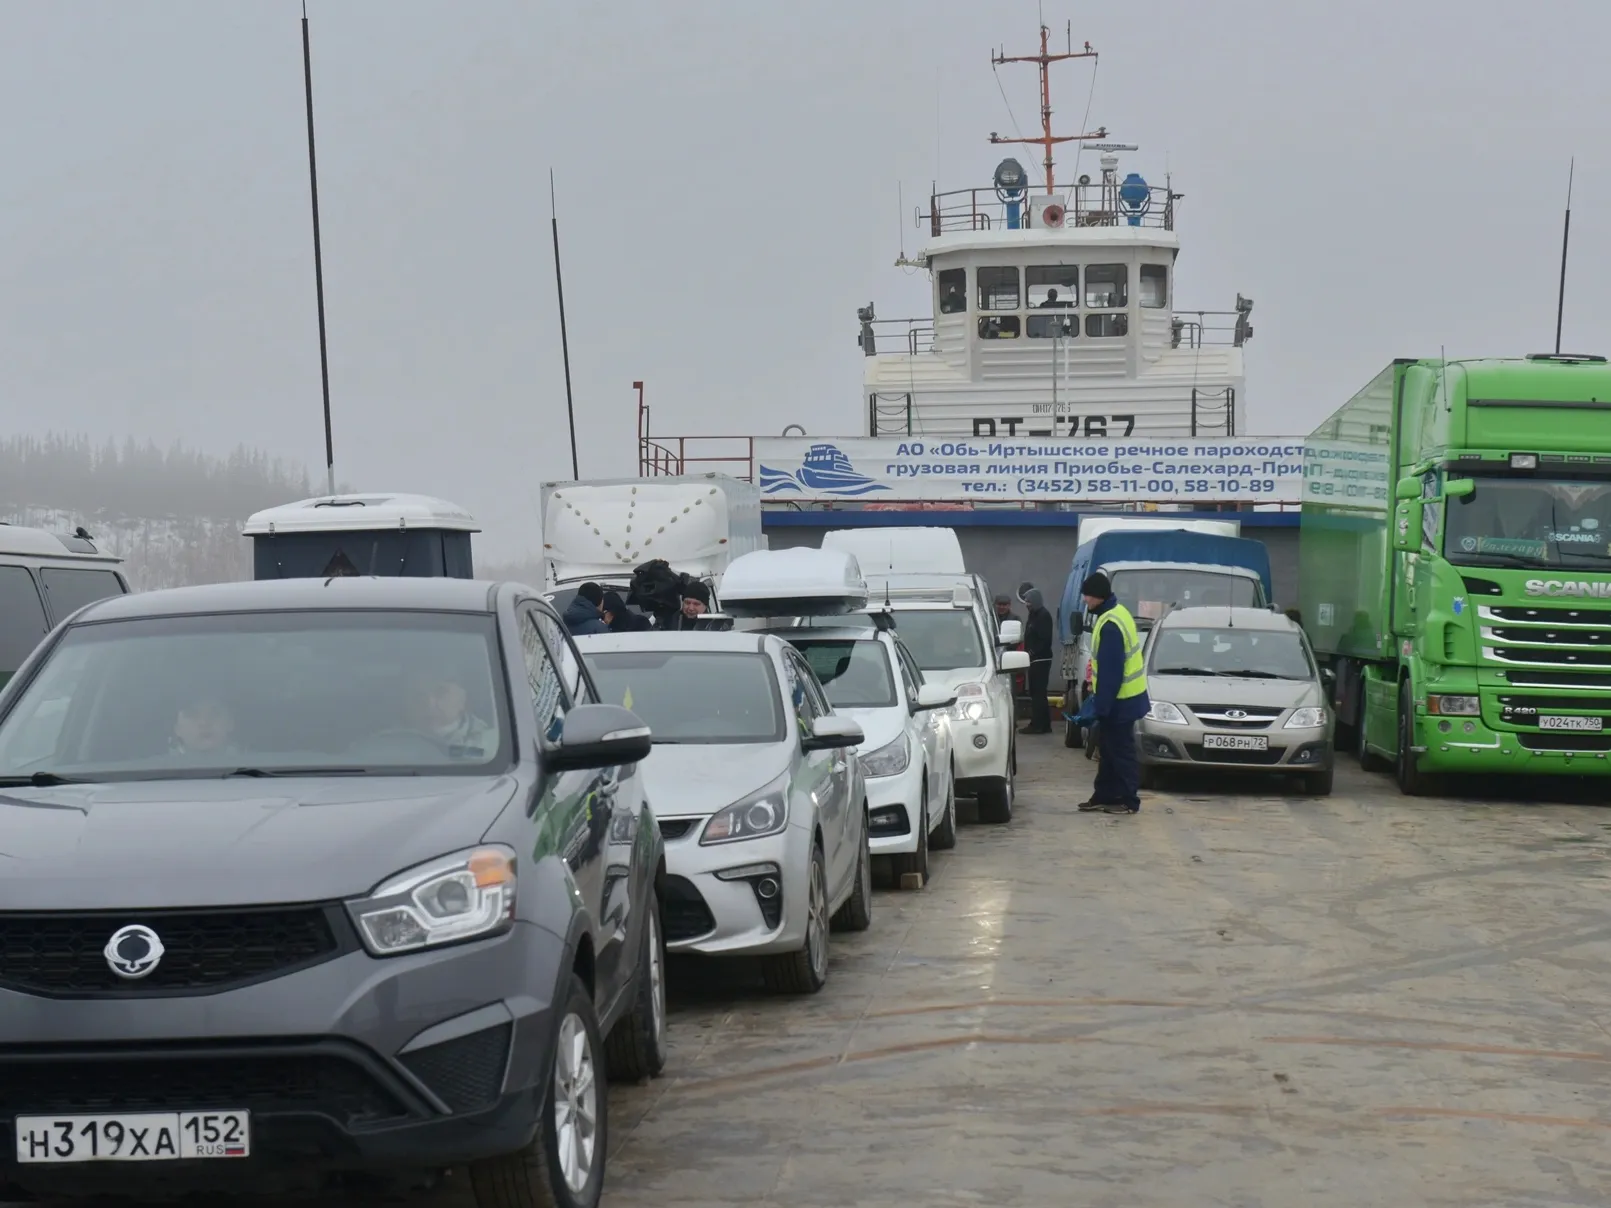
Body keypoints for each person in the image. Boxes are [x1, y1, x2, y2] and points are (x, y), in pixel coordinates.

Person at [1069, 571, 1150, 814]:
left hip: (1120, 702)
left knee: (1120, 752)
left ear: (1099, 596)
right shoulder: (1116, 614)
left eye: (1087, 596)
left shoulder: (1111, 625)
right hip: (1122, 699)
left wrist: (1101, 708)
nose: (1085, 600)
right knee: (1108, 751)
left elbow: (1112, 672)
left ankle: (1128, 801)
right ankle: (1105, 795)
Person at [404, 663, 496, 758]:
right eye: (419, 696)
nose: (429, 703)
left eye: (441, 692)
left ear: (463, 699)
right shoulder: (394, 742)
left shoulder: (490, 745)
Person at [1019, 587, 1055, 734]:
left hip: (1040, 660)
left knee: (1038, 693)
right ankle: (1044, 724)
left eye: (1028, 601)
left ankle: (1038, 725)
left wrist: (1032, 652)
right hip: (1034, 660)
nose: (1026, 604)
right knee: (1037, 692)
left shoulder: (1043, 616)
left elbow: (1044, 639)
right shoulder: (1034, 615)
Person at [170, 691, 238, 756]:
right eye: (192, 714)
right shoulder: (164, 766)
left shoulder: (246, 764)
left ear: (230, 723)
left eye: (214, 713)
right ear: (177, 728)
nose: (204, 722)